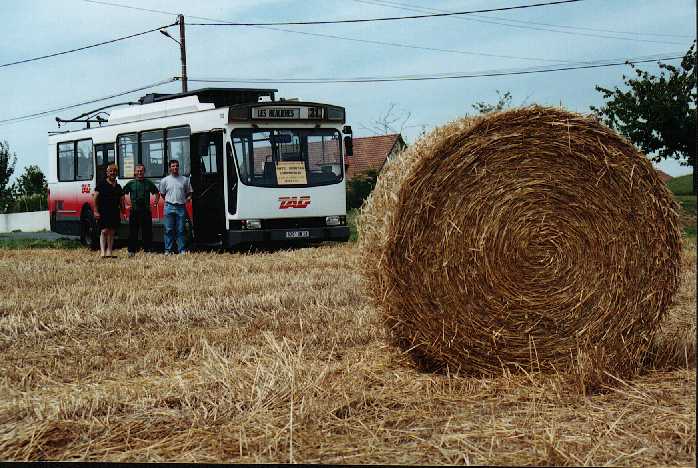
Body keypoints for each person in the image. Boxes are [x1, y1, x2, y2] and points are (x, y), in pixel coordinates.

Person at [123, 164, 160, 257]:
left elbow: (157, 193)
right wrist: (127, 204)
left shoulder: (148, 183)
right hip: (134, 211)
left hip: (146, 211)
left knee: (147, 231)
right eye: (138, 171)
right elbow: (123, 194)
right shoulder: (131, 183)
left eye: (141, 171)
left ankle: (147, 249)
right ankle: (131, 250)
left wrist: (155, 203)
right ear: (135, 172)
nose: (139, 173)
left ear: (144, 172)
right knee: (133, 232)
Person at [158, 159, 193, 254]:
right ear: (169, 168)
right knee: (168, 230)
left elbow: (189, 192)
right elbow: (162, 194)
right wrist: (170, 201)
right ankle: (168, 250)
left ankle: (181, 250)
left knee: (181, 230)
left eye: (177, 166)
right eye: (173, 166)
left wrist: (188, 198)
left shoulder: (185, 180)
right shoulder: (165, 180)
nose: (175, 168)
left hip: (181, 207)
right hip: (169, 206)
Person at [93, 163, 124, 258]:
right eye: (110, 171)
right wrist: (95, 211)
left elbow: (121, 200)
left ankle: (109, 251)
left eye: (114, 171)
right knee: (104, 231)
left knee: (111, 232)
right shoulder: (101, 184)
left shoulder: (118, 187)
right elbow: (95, 198)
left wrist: (123, 211)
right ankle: (102, 251)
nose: (113, 173)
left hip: (114, 211)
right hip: (103, 211)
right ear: (107, 173)